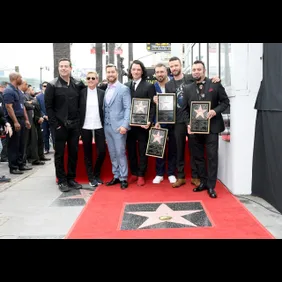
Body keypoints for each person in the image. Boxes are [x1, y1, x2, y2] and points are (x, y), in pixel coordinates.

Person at [164, 56, 220, 188]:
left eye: (176, 65)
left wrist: (216, 79)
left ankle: (195, 176)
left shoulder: (190, 77)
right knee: (179, 149)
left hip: (193, 119)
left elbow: (204, 80)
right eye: (171, 66)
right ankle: (181, 176)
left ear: (181, 65)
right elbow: (168, 103)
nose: (174, 68)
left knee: (194, 148)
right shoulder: (168, 84)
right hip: (177, 120)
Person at [184, 60, 230, 198]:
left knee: (212, 157)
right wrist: (188, 123)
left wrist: (215, 111)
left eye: (199, 69)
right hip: (195, 129)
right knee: (198, 157)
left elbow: (225, 102)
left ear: (204, 71)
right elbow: (185, 110)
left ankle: (211, 186)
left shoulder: (215, 84)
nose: (196, 71)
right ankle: (203, 182)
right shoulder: (187, 88)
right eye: (194, 69)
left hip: (212, 127)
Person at [44, 58, 85, 192]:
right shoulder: (52, 85)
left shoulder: (78, 84)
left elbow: (83, 102)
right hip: (59, 126)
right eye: (61, 66)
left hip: (75, 126)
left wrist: (79, 125)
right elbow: (49, 107)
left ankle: (71, 178)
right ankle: (61, 180)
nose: (63, 68)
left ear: (70, 68)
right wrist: (55, 125)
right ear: (58, 68)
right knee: (59, 154)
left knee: (74, 153)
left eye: (66, 66)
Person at [124, 60, 156, 186]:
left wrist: (149, 121)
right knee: (131, 150)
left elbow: (153, 106)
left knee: (142, 150)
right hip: (130, 125)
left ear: (142, 71)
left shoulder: (149, 86)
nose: (136, 71)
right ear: (130, 71)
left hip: (143, 125)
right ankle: (134, 173)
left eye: (138, 69)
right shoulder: (126, 86)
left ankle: (141, 174)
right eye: (133, 69)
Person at [104, 64, 131, 189]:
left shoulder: (123, 89)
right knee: (112, 153)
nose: (110, 74)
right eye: (108, 72)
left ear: (117, 73)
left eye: (112, 72)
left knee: (120, 152)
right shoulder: (106, 88)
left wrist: (125, 125)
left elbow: (128, 108)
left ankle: (124, 177)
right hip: (107, 127)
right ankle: (116, 175)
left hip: (119, 127)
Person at [79, 71, 106, 187]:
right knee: (87, 153)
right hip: (85, 126)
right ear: (86, 80)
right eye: (88, 78)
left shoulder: (102, 93)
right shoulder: (81, 93)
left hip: (99, 125)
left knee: (102, 151)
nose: (90, 80)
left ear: (97, 80)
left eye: (93, 78)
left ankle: (96, 173)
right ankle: (91, 177)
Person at [152, 63, 177, 184]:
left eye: (162, 72)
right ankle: (159, 173)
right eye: (157, 72)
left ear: (166, 72)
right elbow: (151, 107)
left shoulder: (174, 83)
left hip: (174, 120)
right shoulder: (153, 86)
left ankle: (171, 173)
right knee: (158, 148)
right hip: (159, 122)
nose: (160, 74)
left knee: (173, 148)